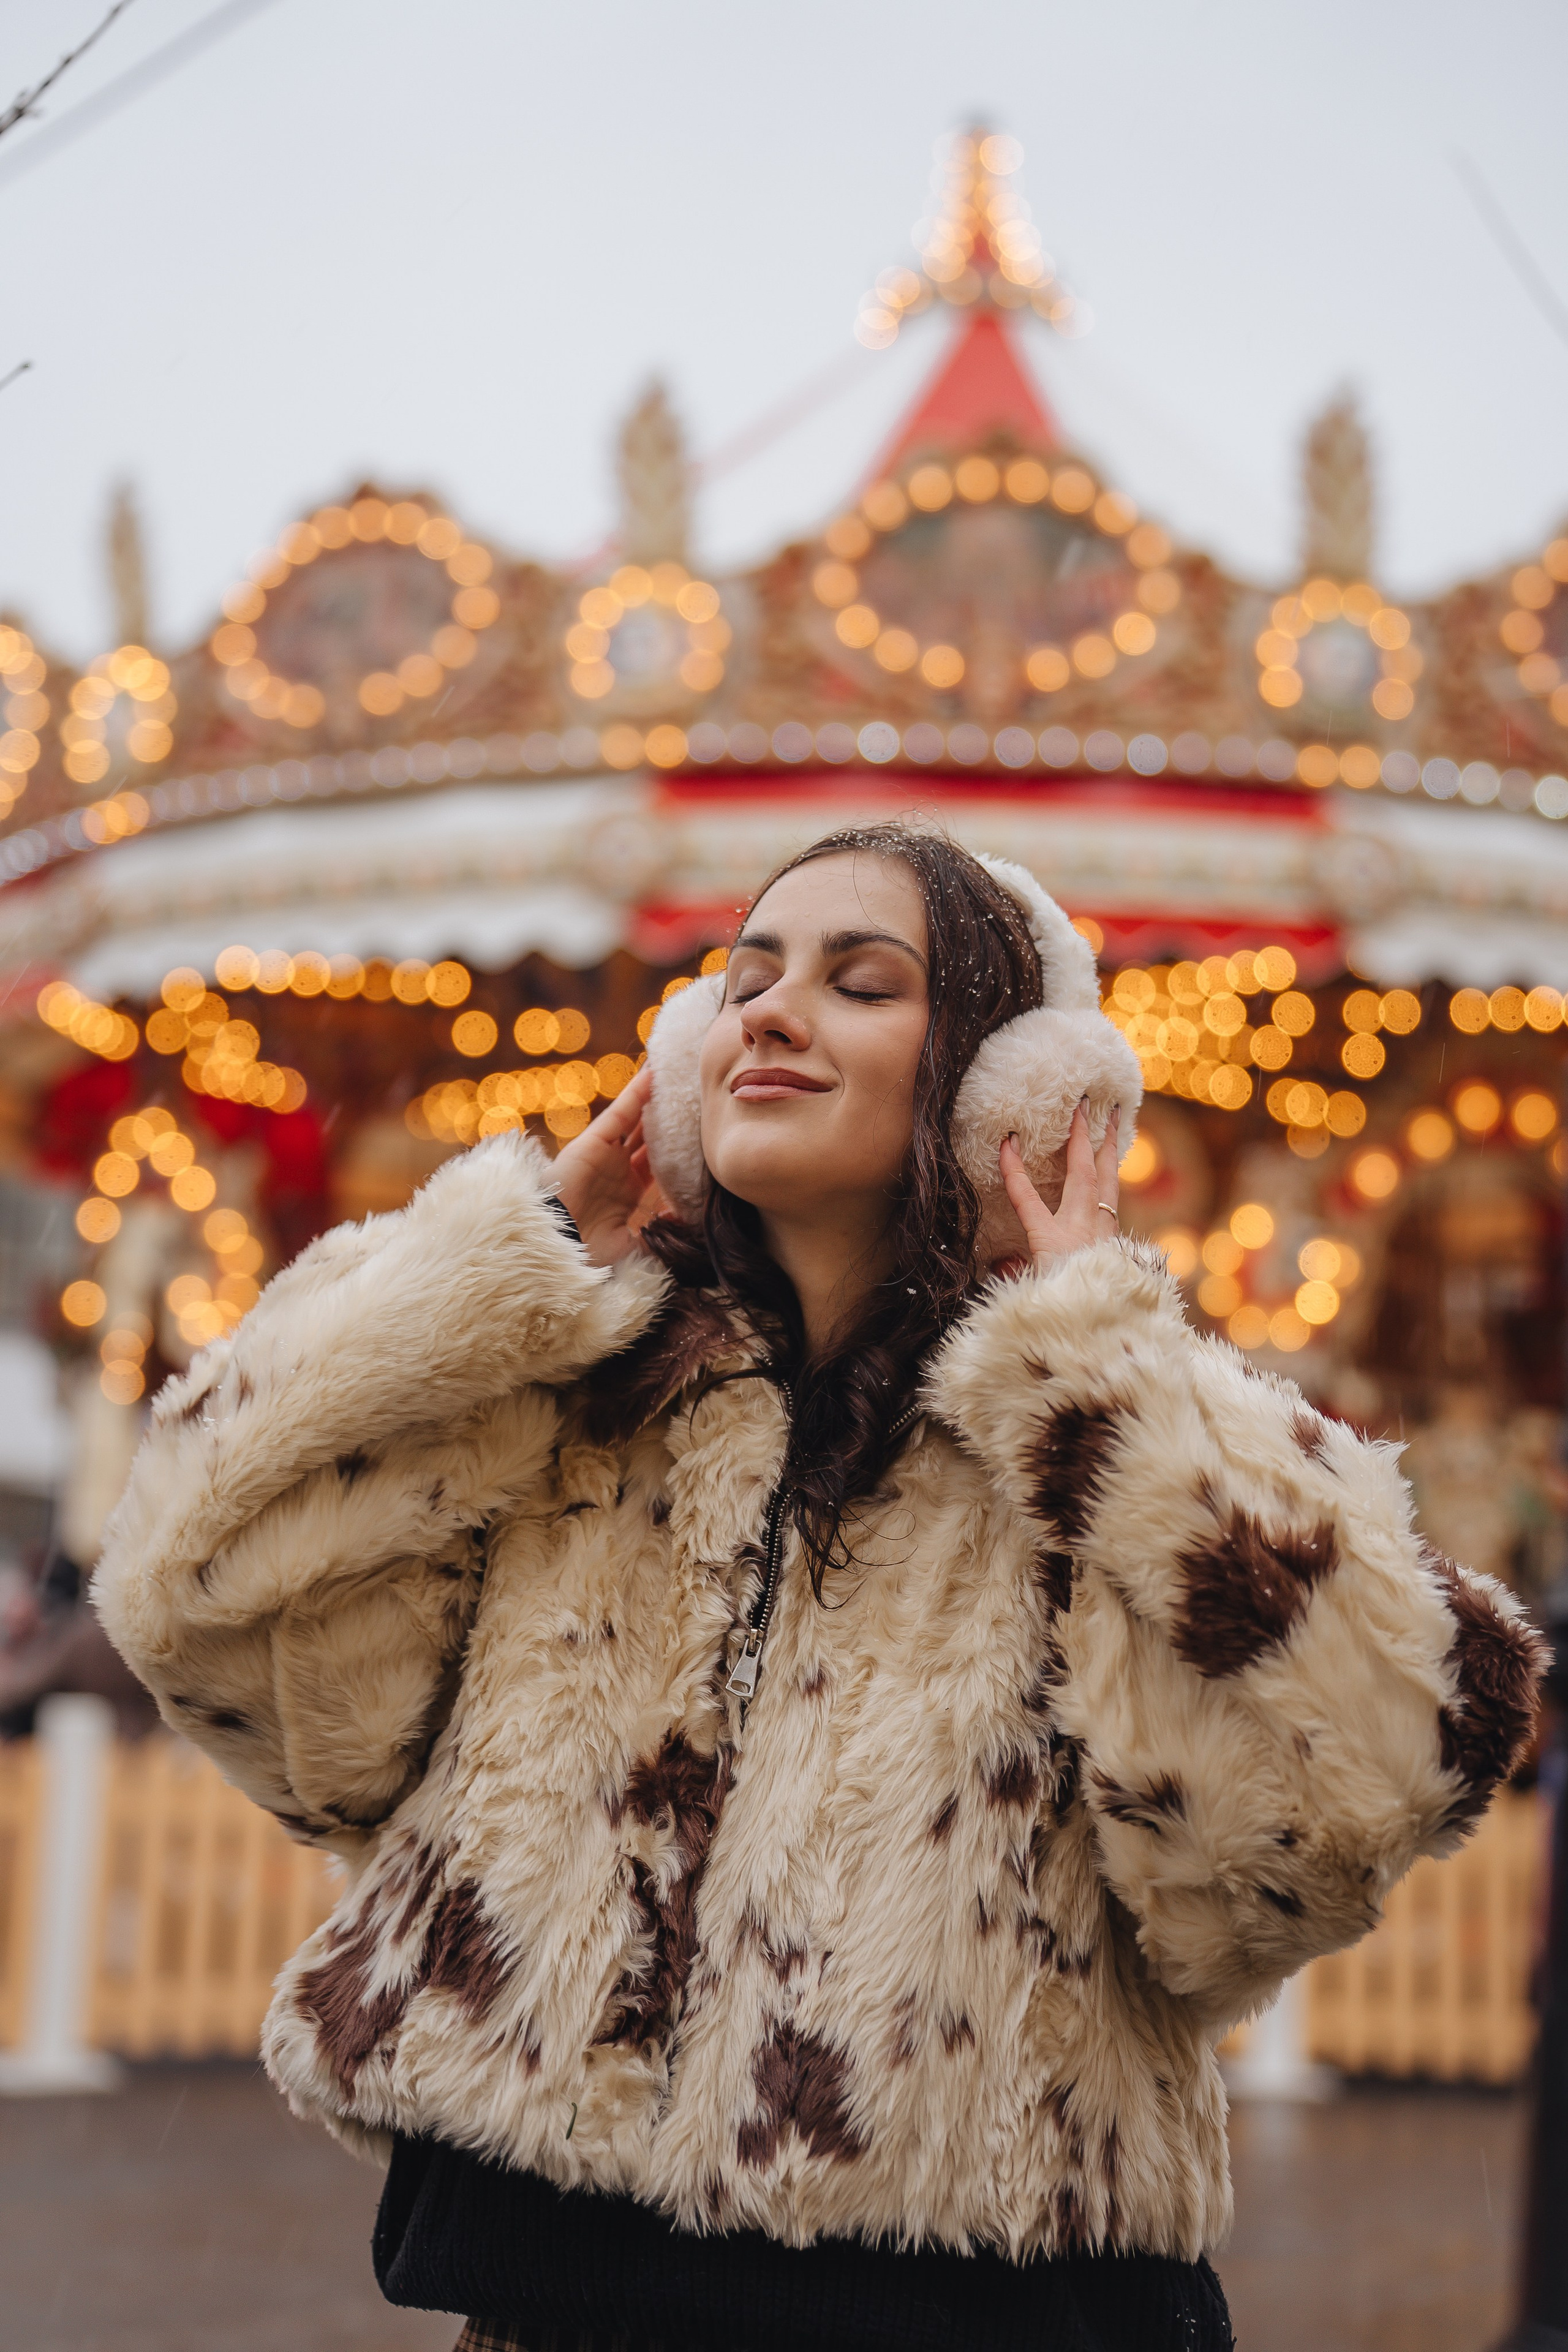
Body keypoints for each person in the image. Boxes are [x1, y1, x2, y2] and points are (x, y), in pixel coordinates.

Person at [94, 824, 1543, 2352]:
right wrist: (496, 1272)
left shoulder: (1096, 1442)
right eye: (743, 980)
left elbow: (1361, 1789)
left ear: (1004, 1087)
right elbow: (193, 1592)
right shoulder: (569, 1412)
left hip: (977, 2318)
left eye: (860, 983)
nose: (770, 1013)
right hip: (550, 2304)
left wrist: (1104, 1374)